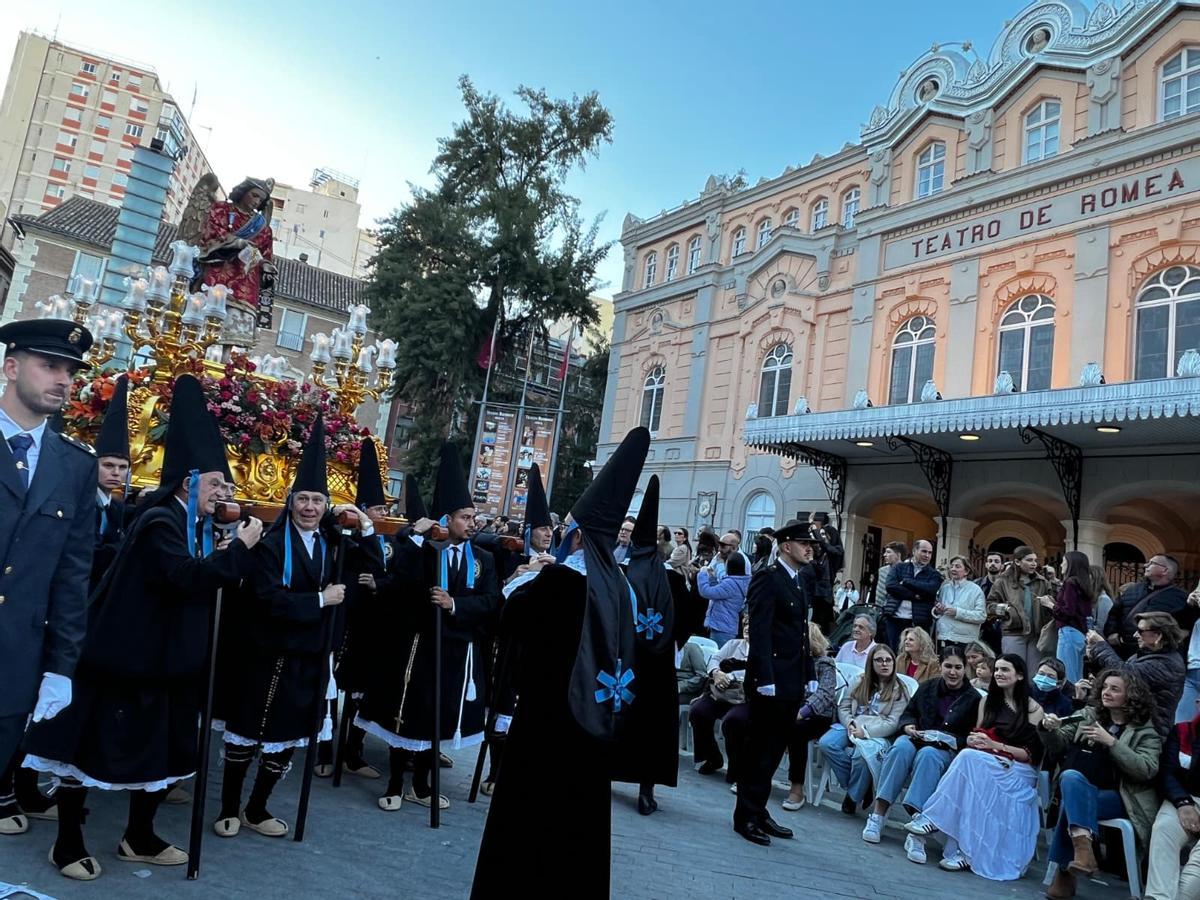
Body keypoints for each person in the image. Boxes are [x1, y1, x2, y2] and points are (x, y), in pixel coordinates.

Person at [21, 375, 263, 879]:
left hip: (167, 668)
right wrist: (239, 549)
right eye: (216, 484)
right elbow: (184, 578)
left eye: (225, 486)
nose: (224, 494)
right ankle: (67, 843)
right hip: (124, 664)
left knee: (159, 755)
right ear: (188, 483)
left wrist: (226, 552)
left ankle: (139, 836)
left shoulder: (194, 526)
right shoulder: (161, 523)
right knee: (88, 753)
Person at [470, 428, 650, 898]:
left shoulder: (556, 583)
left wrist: (525, 578)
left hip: (544, 723)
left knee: (530, 826)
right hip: (594, 725)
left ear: (579, 536)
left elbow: (507, 622)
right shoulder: (620, 589)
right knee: (578, 827)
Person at [212, 418, 378, 838]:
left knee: (287, 737)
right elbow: (266, 599)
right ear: (290, 502)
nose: (309, 507)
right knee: (246, 733)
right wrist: (321, 599)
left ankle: (257, 807)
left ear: (327, 506)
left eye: (317, 500)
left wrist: (365, 525)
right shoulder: (269, 544)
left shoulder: (335, 543)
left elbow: (374, 565)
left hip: (311, 656)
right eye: (302, 499)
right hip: (266, 653)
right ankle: (229, 807)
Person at [356, 443, 500, 812]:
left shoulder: (483, 559)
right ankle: (394, 784)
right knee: (407, 714)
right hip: (418, 647)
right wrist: (414, 540)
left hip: (455, 650)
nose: (472, 523)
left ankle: (421, 784)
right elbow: (398, 584)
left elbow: (491, 601)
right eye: (465, 517)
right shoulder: (423, 553)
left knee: (439, 717)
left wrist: (455, 604)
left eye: (473, 517)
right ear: (447, 520)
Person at [0, 320, 98, 839]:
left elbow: (72, 574)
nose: (63, 380)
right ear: (11, 368)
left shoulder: (74, 465)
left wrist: (61, 666)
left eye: (70, 372)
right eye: (50, 366)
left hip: (15, 664)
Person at [906, 654, 1045, 878]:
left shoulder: (1033, 709)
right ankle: (958, 845)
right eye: (997, 669)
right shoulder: (987, 702)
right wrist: (975, 740)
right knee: (969, 756)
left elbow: (1030, 755)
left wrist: (996, 746)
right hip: (987, 760)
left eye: (1005, 670)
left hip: (1018, 767)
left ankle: (938, 824)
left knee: (969, 758)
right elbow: (978, 735)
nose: (998, 674)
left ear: (1019, 675)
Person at [732, 520, 818, 846]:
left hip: (791, 679)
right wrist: (764, 677)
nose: (809, 549)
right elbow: (761, 631)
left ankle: (758, 809)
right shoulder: (768, 578)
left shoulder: (798, 580)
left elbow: (801, 633)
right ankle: (745, 815)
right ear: (785, 546)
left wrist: (808, 672)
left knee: (774, 750)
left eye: (811, 544)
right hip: (770, 681)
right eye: (803, 543)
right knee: (759, 750)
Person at [1041, 669, 1161, 899]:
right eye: (1104, 687)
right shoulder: (1088, 714)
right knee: (1070, 778)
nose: (1106, 692)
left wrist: (1112, 743)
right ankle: (1082, 851)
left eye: (1114, 689)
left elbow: (1146, 769)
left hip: (1122, 797)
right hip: (1082, 788)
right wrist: (1049, 728)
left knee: (1070, 801)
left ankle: (1065, 872)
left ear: (1131, 695)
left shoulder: (1145, 731)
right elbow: (1058, 743)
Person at [863, 647, 981, 860]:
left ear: (965, 669)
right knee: (900, 748)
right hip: (917, 736)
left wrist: (951, 739)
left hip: (945, 749)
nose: (952, 672)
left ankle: (917, 831)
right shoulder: (928, 687)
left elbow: (971, 736)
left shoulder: (973, 698)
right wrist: (908, 726)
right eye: (948, 666)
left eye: (958, 667)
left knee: (928, 756)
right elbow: (908, 713)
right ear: (940, 666)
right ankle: (878, 814)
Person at [611, 475, 679, 817]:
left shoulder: (639, 573)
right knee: (637, 723)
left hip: (637, 662)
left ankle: (635, 780)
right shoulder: (654, 573)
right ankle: (634, 782)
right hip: (645, 664)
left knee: (634, 721)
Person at [818, 643, 911, 816]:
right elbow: (844, 706)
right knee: (826, 743)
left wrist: (866, 732)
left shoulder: (900, 690)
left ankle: (852, 797)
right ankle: (862, 786)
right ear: (871, 663)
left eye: (888, 660)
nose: (884, 664)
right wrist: (849, 723)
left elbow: (893, 723)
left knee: (861, 756)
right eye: (879, 660)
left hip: (877, 731)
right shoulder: (860, 681)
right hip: (852, 724)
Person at [1087, 610, 1186, 737]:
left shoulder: (1168, 664)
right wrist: (1093, 658)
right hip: (1132, 726)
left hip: (1150, 733)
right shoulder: (1144, 655)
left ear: (1158, 635)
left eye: (1141, 631)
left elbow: (1125, 674)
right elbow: (1116, 675)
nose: (1135, 635)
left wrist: (1100, 646)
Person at [1145, 698, 1200, 900]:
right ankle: (1159, 896)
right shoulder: (1183, 731)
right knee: (1164, 830)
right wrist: (1182, 802)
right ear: (1198, 703)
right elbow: (1167, 772)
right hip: (1184, 798)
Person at [783, 623, 839, 811]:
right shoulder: (791, 660)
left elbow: (825, 694)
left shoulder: (825, 663)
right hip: (792, 711)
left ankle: (797, 788)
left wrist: (802, 712)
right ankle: (755, 776)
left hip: (817, 716)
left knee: (795, 731)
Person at [690, 624, 749, 778]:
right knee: (698, 711)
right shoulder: (733, 644)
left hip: (745, 698)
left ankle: (736, 767)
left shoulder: (764, 648)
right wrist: (716, 673)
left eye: (751, 624)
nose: (747, 628)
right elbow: (715, 659)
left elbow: (758, 670)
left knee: (733, 721)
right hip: (723, 693)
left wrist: (730, 676)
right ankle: (712, 757)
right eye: (745, 624)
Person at [1103, 555, 1189, 659]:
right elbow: (1114, 613)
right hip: (1123, 649)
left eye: (1152, 563)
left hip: (1155, 653)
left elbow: (1184, 627)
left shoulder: (1180, 597)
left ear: (1165, 570)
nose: (1145, 565)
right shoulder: (1132, 590)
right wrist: (1111, 632)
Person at [90, 373, 130, 591]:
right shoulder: (83, 503)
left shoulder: (116, 508)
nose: (116, 473)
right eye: (108, 465)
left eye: (122, 467)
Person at [989, 545, 1052, 677]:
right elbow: (989, 606)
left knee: (1034, 675)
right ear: (1017, 562)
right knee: (1013, 672)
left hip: (1036, 635)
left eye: (1035, 560)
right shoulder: (1003, 581)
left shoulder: (1042, 582)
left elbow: (1052, 604)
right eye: (1029, 560)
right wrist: (1006, 609)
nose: (1034, 563)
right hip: (1013, 632)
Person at [1042, 550, 1095, 683]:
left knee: (1067, 675)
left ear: (1071, 564)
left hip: (1068, 633)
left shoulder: (1070, 583)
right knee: (1077, 675)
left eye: (1064, 562)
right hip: (1080, 634)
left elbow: (1067, 612)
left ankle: (1071, 696)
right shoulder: (1083, 584)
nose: (1061, 565)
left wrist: (1050, 605)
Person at [883, 540, 943, 651]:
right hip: (894, 619)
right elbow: (890, 586)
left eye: (930, 553)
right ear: (915, 550)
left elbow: (930, 590)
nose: (927, 555)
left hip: (919, 622)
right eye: (924, 551)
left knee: (914, 654)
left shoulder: (934, 574)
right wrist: (914, 595)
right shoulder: (899, 568)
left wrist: (907, 582)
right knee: (893, 652)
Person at [932, 556, 986, 653]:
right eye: (952, 566)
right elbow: (938, 610)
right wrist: (938, 610)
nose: (953, 569)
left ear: (966, 571)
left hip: (965, 640)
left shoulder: (975, 590)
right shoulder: (944, 588)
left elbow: (981, 616)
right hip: (944, 637)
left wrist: (957, 612)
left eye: (957, 566)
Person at [698, 552, 749, 647]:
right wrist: (712, 578)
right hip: (726, 626)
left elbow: (705, 592)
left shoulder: (730, 583)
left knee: (718, 654)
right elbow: (717, 594)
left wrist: (702, 574)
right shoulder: (739, 581)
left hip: (722, 628)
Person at [806, 512, 844, 633]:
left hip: (825, 594)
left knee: (822, 623)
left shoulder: (836, 550)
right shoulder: (821, 552)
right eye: (821, 534)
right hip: (816, 592)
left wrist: (815, 528)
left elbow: (825, 546)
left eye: (824, 534)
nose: (822, 537)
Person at [975, 552, 1006, 656]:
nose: (993, 564)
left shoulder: (1008, 585)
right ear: (986, 564)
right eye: (990, 561)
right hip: (981, 627)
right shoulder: (977, 584)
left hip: (1001, 627)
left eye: (996, 561)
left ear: (1002, 566)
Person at [875, 542, 908, 613]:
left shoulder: (908, 570)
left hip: (902, 610)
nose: (884, 555)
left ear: (898, 555)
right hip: (884, 610)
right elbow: (879, 594)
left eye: (888, 552)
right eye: (885, 552)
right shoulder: (882, 571)